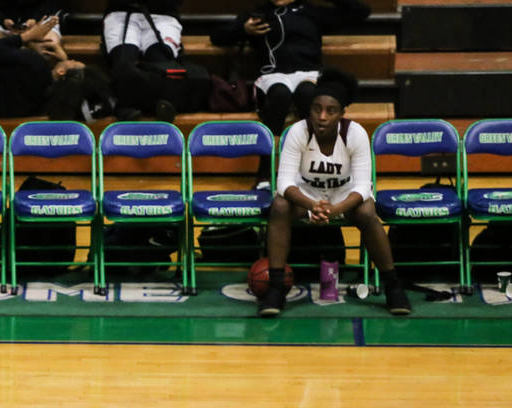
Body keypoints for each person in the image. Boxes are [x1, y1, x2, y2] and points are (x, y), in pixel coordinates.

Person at [259, 68, 411, 317]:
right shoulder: (298, 132)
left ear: (341, 113)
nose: (322, 116)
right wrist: (312, 205)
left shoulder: (356, 133)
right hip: (307, 195)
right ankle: (275, 288)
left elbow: (363, 187)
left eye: (330, 111)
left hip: (343, 196)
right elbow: (284, 183)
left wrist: (334, 209)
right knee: (280, 206)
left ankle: (393, 286)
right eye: (316, 109)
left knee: (367, 210)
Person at [209, 0, 370, 189]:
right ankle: (265, 173)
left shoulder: (311, 11)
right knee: (280, 95)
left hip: (308, 73)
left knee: (307, 94)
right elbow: (217, 37)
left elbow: (361, 12)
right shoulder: (258, 14)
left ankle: (315, 169)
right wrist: (243, 29)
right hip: (273, 75)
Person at [102, 0, 209, 122]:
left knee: (161, 61)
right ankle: (124, 105)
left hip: (163, 15)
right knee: (124, 59)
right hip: (120, 13)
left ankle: (159, 103)